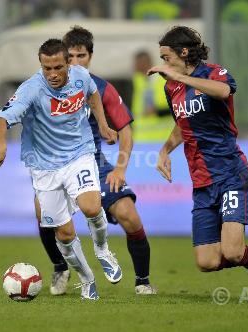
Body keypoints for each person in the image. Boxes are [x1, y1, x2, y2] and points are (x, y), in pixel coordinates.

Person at [148, 26, 248, 304]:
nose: (163, 63)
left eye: (166, 56)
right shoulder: (171, 86)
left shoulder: (214, 73)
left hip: (230, 172)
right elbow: (183, 125)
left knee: (232, 251)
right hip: (201, 180)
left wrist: (181, 76)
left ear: (183, 52)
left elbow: (222, 91)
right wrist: (164, 151)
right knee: (206, 261)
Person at [0, 39, 121, 300]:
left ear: (68, 63)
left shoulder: (81, 76)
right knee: (64, 234)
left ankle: (102, 250)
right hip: (44, 166)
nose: (53, 74)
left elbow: (92, 94)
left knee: (91, 206)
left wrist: (102, 123)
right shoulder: (32, 88)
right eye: (47, 68)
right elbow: (1, 117)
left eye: (57, 67)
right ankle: (87, 280)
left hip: (79, 153)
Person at [37, 26, 156, 296]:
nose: (76, 62)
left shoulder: (101, 88)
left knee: (129, 215)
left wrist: (121, 168)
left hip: (94, 164)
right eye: (71, 57)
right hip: (55, 164)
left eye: (82, 56)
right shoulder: (44, 87)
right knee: (45, 218)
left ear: (90, 57)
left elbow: (125, 130)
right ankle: (60, 267)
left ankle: (143, 281)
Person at [131, 50, 172, 142]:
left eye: (137, 63)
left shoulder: (165, 81)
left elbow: (178, 107)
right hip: (141, 140)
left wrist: (157, 112)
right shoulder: (138, 80)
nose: (135, 66)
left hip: (163, 138)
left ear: (146, 63)